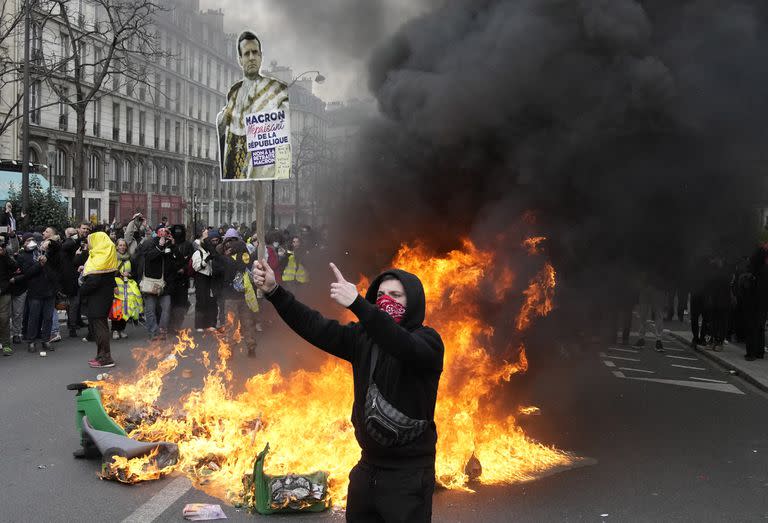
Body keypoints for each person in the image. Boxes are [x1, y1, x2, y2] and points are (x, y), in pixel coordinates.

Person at [252, 261, 444, 522]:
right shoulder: (362, 337)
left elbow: (401, 344)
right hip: (368, 470)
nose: (387, 301)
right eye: (381, 296)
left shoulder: (428, 342)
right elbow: (315, 326)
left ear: (413, 302)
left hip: (408, 476)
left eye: (396, 296)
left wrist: (358, 304)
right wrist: (275, 292)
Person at [217, 30, 289, 180]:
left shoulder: (277, 90)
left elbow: (282, 138)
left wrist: (280, 172)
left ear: (261, 57)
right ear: (240, 60)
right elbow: (226, 127)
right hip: (235, 168)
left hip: (260, 169)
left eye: (255, 53)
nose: (251, 58)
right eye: (246, 54)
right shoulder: (233, 91)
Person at [78, 232, 118, 368]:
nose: (89, 244)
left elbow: (93, 281)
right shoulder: (105, 255)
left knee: (100, 328)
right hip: (103, 297)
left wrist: (81, 289)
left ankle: (105, 358)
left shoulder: (100, 258)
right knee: (101, 327)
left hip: (98, 299)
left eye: (91, 241)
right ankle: (101, 355)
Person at [17, 235, 58, 356]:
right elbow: (27, 273)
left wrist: (49, 242)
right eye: (28, 241)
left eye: (33, 240)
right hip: (35, 292)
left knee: (48, 317)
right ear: (24, 243)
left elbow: (57, 247)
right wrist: (39, 264)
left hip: (49, 291)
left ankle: (45, 340)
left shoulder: (45, 251)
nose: (31, 242)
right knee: (33, 317)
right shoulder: (22, 256)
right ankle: (31, 341)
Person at [137, 227, 177, 341]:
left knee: (166, 308)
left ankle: (162, 330)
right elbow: (149, 257)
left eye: (166, 234)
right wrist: (160, 246)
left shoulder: (170, 245)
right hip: (150, 283)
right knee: (150, 309)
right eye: (162, 233)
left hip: (165, 284)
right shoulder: (149, 244)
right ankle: (153, 332)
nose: (164, 236)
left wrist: (172, 246)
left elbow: (174, 263)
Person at [111, 239, 142, 340]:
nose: (122, 247)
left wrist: (129, 275)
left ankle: (122, 329)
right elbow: (110, 273)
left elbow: (135, 273)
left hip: (126, 286)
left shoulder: (130, 258)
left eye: (124, 245)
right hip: (116, 286)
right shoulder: (113, 258)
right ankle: (115, 330)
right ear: (116, 247)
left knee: (126, 308)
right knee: (116, 309)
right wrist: (119, 277)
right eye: (120, 245)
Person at [191, 229, 221, 331]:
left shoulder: (211, 251)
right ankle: (200, 325)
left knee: (212, 301)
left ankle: (211, 323)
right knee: (201, 301)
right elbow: (196, 267)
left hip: (211, 278)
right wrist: (206, 260)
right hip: (201, 278)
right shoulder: (197, 253)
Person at [0, 239, 18, 355]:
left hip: (4, 292)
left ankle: (6, 345)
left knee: (4, 319)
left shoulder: (4, 258)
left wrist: (4, 255)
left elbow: (14, 266)